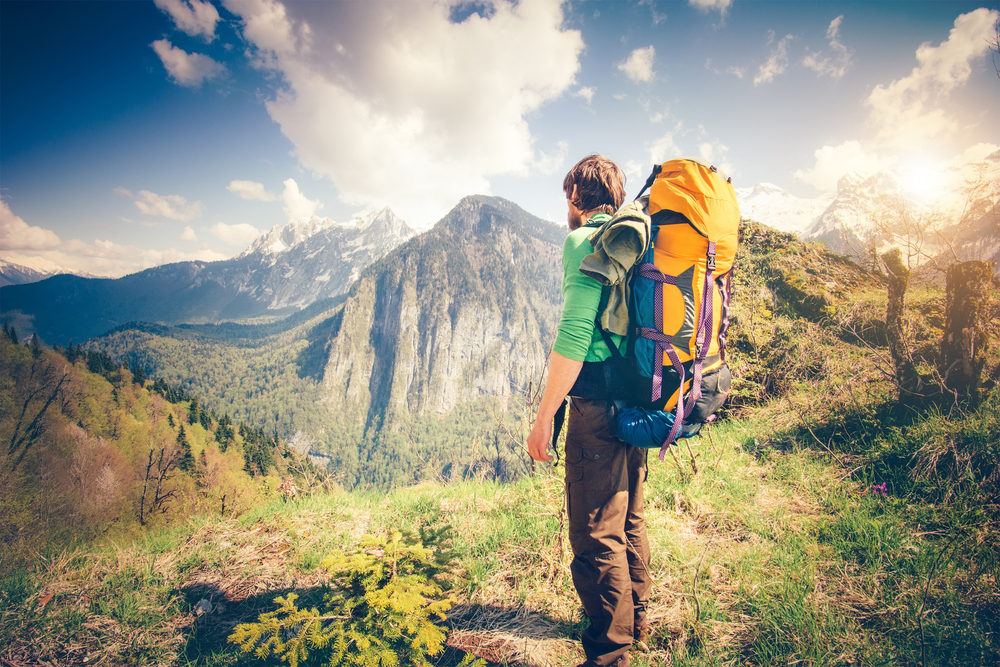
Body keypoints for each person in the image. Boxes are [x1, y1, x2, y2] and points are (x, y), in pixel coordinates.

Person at [527, 155, 651, 667]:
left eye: (567, 199)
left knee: (595, 530)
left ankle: (609, 655)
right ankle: (634, 623)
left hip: (596, 408)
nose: (567, 209)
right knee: (630, 518)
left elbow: (575, 334)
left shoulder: (585, 241)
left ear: (577, 198)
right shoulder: (636, 243)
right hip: (639, 401)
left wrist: (543, 419)